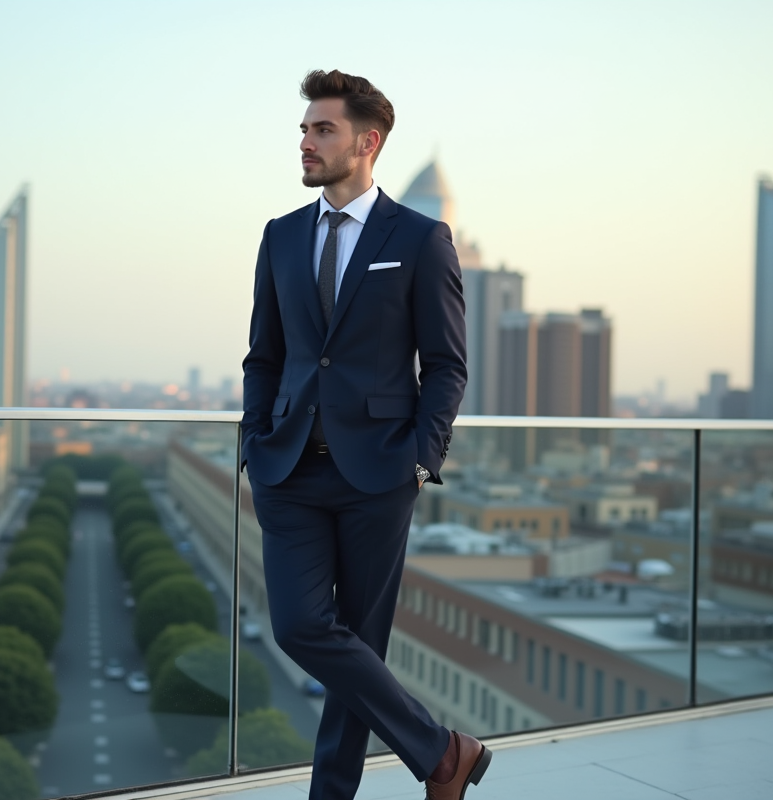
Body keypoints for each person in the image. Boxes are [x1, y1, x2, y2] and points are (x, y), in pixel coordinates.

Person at [241, 70, 491, 800]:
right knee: (300, 627)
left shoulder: (419, 238)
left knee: (361, 645)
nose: (306, 141)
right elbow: (264, 356)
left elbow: (446, 365)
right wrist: (255, 441)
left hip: (378, 473)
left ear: (367, 142)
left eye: (323, 129)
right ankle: (442, 752)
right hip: (288, 470)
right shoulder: (281, 235)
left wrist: (420, 459)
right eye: (304, 129)